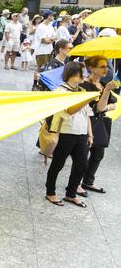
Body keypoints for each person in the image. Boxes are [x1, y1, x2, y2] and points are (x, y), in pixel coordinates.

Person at [45, 62, 93, 208]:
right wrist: (87, 99)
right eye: (82, 73)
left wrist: (90, 134)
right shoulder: (60, 91)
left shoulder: (82, 91)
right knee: (58, 164)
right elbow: (69, 111)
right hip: (65, 133)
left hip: (81, 134)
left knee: (82, 165)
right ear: (73, 74)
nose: (84, 75)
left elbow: (87, 115)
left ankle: (71, 194)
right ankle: (50, 192)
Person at [80, 56, 118, 194]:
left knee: (98, 154)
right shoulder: (84, 85)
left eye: (106, 66)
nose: (106, 69)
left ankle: (88, 181)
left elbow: (113, 102)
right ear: (91, 68)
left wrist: (106, 92)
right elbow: (99, 108)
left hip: (100, 123)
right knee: (82, 156)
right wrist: (107, 95)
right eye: (102, 66)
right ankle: (76, 183)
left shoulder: (102, 83)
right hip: (87, 123)